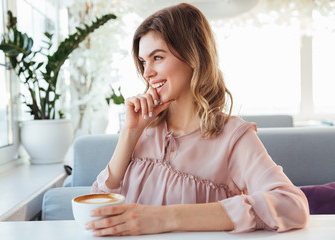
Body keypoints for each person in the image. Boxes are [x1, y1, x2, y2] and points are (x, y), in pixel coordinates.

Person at [87, 3, 309, 236]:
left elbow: (291, 205)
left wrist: (163, 218)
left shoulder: (232, 137)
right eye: (143, 62)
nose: (147, 73)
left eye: (158, 57)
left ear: (193, 56)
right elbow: (95, 212)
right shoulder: (140, 129)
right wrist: (129, 133)